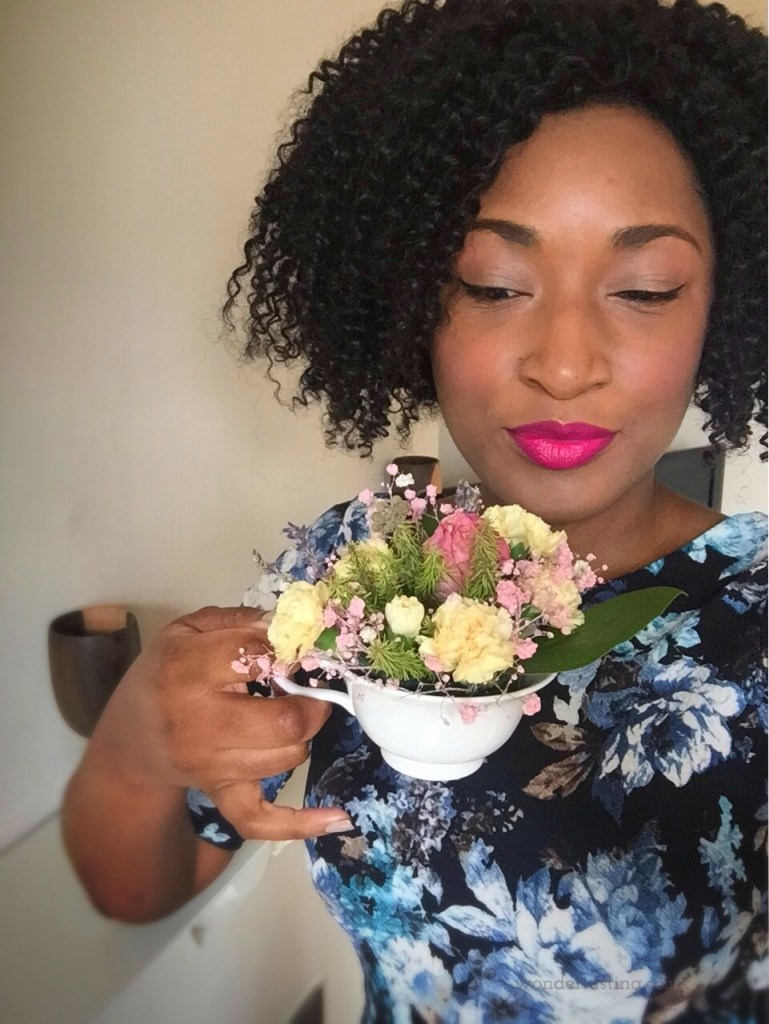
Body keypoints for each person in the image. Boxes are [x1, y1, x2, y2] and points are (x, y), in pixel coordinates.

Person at [62, 0, 767, 1020]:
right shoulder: (343, 576)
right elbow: (134, 887)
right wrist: (137, 735)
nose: (564, 364)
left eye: (646, 290)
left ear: (725, 308)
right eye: (489, 284)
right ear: (405, 300)